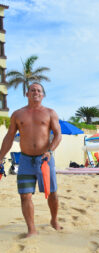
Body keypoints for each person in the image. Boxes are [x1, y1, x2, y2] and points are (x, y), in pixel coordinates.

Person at [0, 82, 62, 237]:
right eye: (32, 90)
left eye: (39, 90)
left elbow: (58, 134)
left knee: (52, 193)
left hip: (45, 159)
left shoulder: (50, 113)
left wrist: (50, 151)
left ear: (43, 95)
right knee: (25, 195)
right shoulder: (17, 114)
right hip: (26, 161)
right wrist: (0, 157)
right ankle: (31, 229)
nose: (36, 92)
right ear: (27, 94)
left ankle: (54, 219)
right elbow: (9, 137)